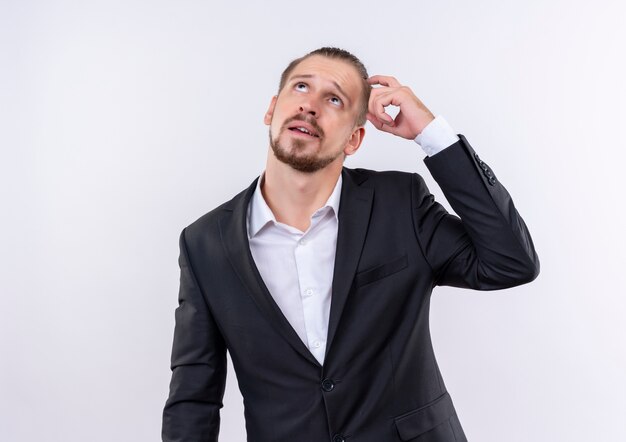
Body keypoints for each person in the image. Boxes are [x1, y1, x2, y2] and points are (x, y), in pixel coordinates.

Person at [161, 47, 540, 442]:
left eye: (334, 99)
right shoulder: (204, 243)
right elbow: (193, 398)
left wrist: (432, 134)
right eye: (301, 86)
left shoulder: (399, 203)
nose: (310, 106)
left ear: (354, 139)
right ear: (272, 110)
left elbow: (510, 261)